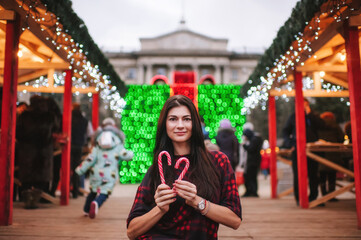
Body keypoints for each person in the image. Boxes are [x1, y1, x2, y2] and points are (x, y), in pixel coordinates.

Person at [127, 95, 242, 240]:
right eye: (173, 119)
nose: (180, 125)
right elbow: (132, 231)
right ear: (165, 125)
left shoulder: (218, 162)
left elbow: (235, 220)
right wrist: (160, 209)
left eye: (187, 119)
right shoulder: (158, 169)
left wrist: (197, 201)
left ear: (195, 123)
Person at [75, 118, 133, 219]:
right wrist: (131, 153)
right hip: (110, 174)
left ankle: (86, 210)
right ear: (114, 126)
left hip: (95, 174)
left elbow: (90, 159)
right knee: (104, 192)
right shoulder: (117, 143)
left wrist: (80, 170)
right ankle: (96, 203)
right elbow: (126, 155)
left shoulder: (97, 143)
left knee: (93, 191)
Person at [16, 95, 57, 208]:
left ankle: (27, 197)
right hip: (44, 152)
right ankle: (37, 197)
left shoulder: (25, 115)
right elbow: (55, 129)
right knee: (41, 177)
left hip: (27, 151)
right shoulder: (50, 116)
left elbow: (18, 131)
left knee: (27, 178)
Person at [282, 98, 325, 205]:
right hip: (297, 149)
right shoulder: (293, 116)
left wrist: (309, 113)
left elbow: (322, 125)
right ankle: (299, 198)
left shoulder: (313, 116)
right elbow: (285, 132)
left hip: (312, 150)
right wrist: (290, 144)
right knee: (298, 174)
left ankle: (313, 197)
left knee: (313, 174)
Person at [318, 112, 344, 201]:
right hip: (334, 154)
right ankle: (332, 195)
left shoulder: (319, 125)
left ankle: (324, 195)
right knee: (332, 176)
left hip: (321, 154)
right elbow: (341, 138)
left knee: (322, 176)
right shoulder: (335, 126)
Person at [70, 103, 89, 198]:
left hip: (69, 146)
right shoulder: (84, 120)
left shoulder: (69, 118)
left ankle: (69, 189)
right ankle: (75, 192)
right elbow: (88, 133)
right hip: (79, 146)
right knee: (77, 169)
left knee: (68, 169)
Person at [242, 128, 263, 197]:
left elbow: (251, 149)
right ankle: (252, 191)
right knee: (253, 177)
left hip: (252, 162)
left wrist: (244, 145)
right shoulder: (256, 138)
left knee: (250, 177)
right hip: (255, 161)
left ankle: (252, 191)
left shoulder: (254, 140)